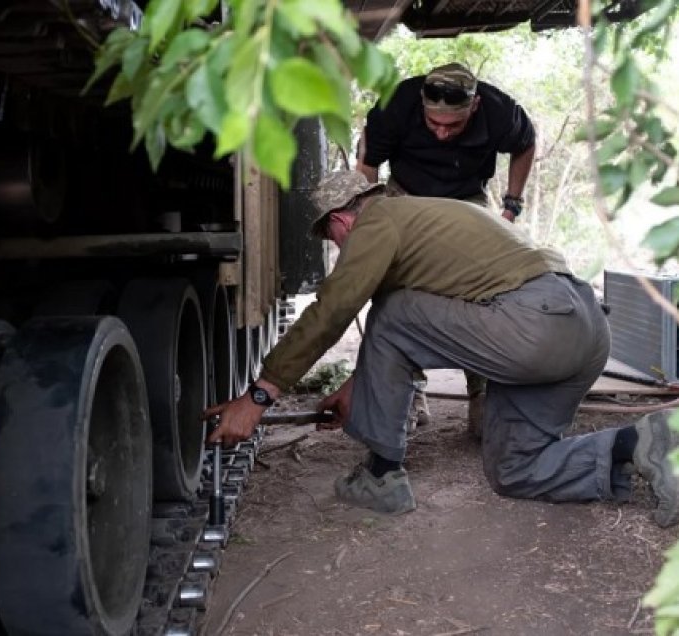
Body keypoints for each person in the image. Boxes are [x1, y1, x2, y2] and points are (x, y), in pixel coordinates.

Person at [204, 171, 679, 528]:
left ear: (342, 219)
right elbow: (413, 329)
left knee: (390, 314)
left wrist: (258, 398)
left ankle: (381, 475)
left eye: (331, 239)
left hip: (533, 326)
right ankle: (641, 444)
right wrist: (359, 386)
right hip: (584, 329)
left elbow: (333, 311)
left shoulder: (379, 220)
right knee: (516, 470)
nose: (337, 247)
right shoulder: (429, 220)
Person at [357, 62, 537, 435]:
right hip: (405, 194)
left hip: (466, 199)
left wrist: (511, 205)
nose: (441, 134)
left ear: (473, 107)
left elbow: (526, 143)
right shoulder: (396, 105)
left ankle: (483, 396)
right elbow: (368, 165)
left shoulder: (499, 110)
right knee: (395, 293)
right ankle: (407, 396)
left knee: (481, 294)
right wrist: (373, 222)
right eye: (433, 123)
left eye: (452, 126)